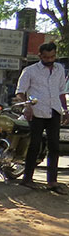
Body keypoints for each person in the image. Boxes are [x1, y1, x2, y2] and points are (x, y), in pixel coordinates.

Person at [15, 41, 69, 193]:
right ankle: (27, 178)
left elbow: (61, 92)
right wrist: (27, 106)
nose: (50, 60)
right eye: (46, 57)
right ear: (40, 56)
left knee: (54, 147)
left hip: (54, 111)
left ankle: (52, 181)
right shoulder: (30, 70)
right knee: (34, 144)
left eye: (52, 57)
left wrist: (65, 110)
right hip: (36, 111)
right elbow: (20, 92)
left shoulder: (60, 69)